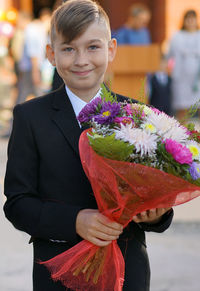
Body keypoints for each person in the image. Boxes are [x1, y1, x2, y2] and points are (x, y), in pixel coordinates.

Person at [3, 1, 173, 291]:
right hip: (59, 274)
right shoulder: (30, 117)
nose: (81, 60)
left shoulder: (139, 115)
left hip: (127, 272)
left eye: (93, 47)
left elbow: (155, 198)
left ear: (111, 49)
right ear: (51, 55)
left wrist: (157, 214)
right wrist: (74, 221)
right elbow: (18, 204)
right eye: (68, 48)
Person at [167, 10, 200, 121]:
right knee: (182, 107)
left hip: (197, 79)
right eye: (188, 18)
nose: (190, 21)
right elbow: (169, 57)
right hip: (181, 78)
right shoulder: (176, 36)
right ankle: (183, 135)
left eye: (193, 18)